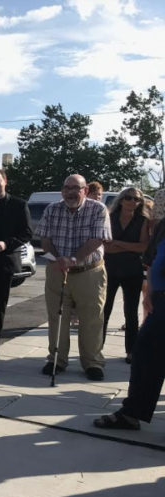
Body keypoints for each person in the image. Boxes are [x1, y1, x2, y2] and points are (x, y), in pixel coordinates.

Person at [36, 174, 112, 381]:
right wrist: (58, 259)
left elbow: (97, 239)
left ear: (85, 190)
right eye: (66, 188)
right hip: (57, 271)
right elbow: (45, 238)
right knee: (57, 317)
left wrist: (73, 259)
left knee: (91, 319)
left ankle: (92, 362)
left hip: (89, 272)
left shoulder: (98, 209)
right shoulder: (52, 209)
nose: (70, 192)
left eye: (75, 188)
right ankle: (57, 360)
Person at [92, 217, 165, 431]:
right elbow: (151, 259)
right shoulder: (163, 226)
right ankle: (132, 414)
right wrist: (150, 291)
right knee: (143, 354)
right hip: (160, 301)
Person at [0, 168, 32, 358]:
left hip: (4, 261)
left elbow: (26, 233)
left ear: (5, 181)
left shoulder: (19, 204)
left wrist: (6, 244)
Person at [102, 187, 150, 363]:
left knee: (131, 312)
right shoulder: (109, 217)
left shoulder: (142, 220)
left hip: (132, 270)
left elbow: (143, 246)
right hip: (110, 268)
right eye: (129, 198)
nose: (133, 202)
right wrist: (129, 246)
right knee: (104, 310)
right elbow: (104, 246)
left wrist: (118, 244)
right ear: (121, 200)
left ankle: (131, 351)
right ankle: (96, 349)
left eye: (137, 199)